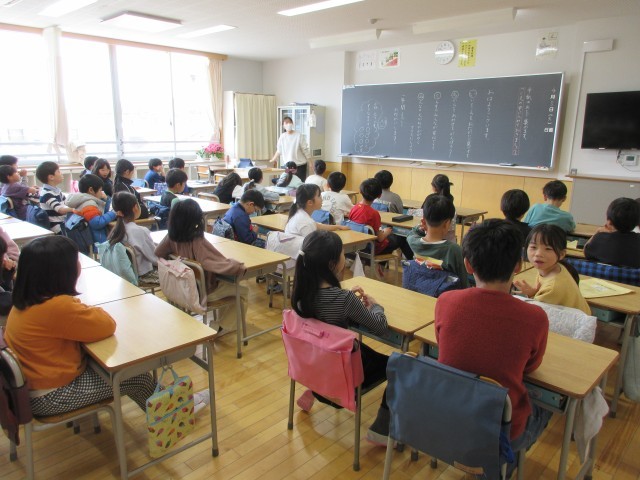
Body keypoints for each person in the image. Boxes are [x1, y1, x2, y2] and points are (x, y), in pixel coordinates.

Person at [435, 219, 551, 470]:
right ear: (519, 265)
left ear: (467, 264)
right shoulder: (535, 317)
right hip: (501, 430)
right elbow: (531, 367)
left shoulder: (446, 301)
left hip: (448, 416)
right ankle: (501, 465)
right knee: (548, 406)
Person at [4, 236, 157, 416]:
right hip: (51, 396)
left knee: (108, 364)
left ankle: (170, 412)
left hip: (33, 387)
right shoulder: (56, 307)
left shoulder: (27, 299)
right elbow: (107, 325)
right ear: (63, 271)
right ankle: (172, 418)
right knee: (138, 378)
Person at [291, 230, 391, 445]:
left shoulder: (300, 295)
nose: (345, 257)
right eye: (343, 253)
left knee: (327, 350)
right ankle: (382, 428)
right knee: (397, 365)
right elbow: (381, 327)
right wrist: (376, 306)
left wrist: (348, 297)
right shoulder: (344, 300)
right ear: (332, 264)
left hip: (316, 365)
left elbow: (327, 308)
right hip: (344, 373)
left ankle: (315, 389)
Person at [155, 199, 248, 333]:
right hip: (203, 292)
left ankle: (221, 323)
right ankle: (221, 327)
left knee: (230, 288)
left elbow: (158, 253)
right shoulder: (197, 240)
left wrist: (175, 259)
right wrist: (239, 266)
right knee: (243, 292)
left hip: (181, 288)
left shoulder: (171, 236)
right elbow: (214, 264)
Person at [514, 224, 590, 314]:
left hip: (574, 322)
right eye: (533, 247)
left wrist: (531, 297)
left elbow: (537, 315)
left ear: (561, 254)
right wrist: (533, 293)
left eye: (548, 249)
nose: (538, 254)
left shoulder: (552, 287)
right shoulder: (552, 267)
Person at [407, 193, 468, 287]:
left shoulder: (413, 242)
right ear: (447, 224)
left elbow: (412, 233)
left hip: (419, 289)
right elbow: (463, 283)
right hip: (445, 294)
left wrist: (421, 227)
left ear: (423, 221)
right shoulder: (454, 250)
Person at [349, 178, 413, 260]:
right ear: (379, 195)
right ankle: (411, 262)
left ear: (360, 191)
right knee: (401, 238)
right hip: (371, 248)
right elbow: (380, 238)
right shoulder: (374, 213)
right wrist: (386, 232)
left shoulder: (354, 208)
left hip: (357, 245)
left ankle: (382, 264)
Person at [108, 191, 159, 285]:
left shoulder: (115, 231)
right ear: (135, 207)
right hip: (143, 276)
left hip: (125, 275)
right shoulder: (140, 231)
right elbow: (155, 259)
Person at [584, 197, 640, 268]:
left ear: (609, 222)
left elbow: (586, 252)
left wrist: (597, 233)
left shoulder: (599, 239)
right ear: (637, 222)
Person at [66, 174, 117, 244]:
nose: (102, 193)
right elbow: (97, 223)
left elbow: (101, 213)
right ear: (91, 190)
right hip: (94, 241)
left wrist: (106, 200)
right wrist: (113, 213)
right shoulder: (89, 205)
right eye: (100, 190)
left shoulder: (82, 200)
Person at [285, 184, 349, 237]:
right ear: (310, 202)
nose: (322, 199)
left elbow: (318, 226)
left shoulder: (299, 213)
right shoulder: (306, 222)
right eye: (319, 196)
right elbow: (312, 245)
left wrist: (338, 227)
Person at [36, 161, 75, 234]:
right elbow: (60, 210)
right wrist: (75, 209)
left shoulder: (56, 191)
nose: (61, 173)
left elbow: (67, 202)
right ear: (51, 177)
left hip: (62, 222)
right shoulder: (47, 194)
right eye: (58, 171)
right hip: (56, 226)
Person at [270, 116, 310, 180]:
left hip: (300, 166)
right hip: (287, 166)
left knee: (299, 183)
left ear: (292, 123)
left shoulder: (298, 135)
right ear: (283, 125)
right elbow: (279, 150)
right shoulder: (282, 137)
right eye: (286, 123)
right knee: (287, 182)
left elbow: (305, 150)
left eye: (289, 122)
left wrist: (310, 162)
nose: (288, 124)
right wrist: (273, 159)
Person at [429, 174, 456, 241]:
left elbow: (424, 212)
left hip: (433, 239)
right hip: (449, 240)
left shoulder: (431, 199)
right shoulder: (450, 198)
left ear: (434, 187)